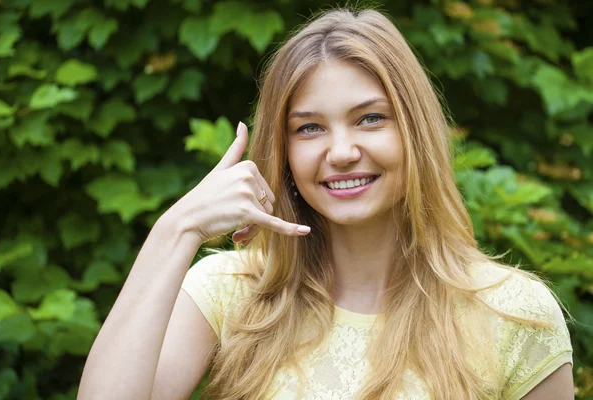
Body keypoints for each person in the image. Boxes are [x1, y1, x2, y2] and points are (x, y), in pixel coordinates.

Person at [77, 7, 574, 400]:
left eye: (370, 118)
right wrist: (177, 229)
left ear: (415, 131)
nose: (340, 152)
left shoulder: (514, 313)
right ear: (285, 150)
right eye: (309, 127)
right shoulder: (231, 294)